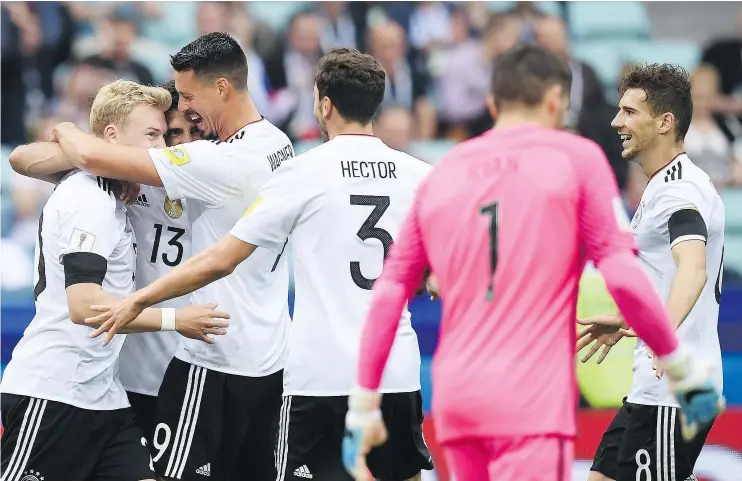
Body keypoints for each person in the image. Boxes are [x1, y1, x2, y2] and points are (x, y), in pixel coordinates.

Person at [342, 46, 723, 481]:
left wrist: (363, 402)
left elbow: (390, 290)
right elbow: (621, 272)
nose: (616, 121)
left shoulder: (446, 170)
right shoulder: (576, 160)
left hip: (458, 394)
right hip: (533, 398)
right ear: (555, 101)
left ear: (491, 104)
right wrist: (677, 364)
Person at [85, 47, 435, 481]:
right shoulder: (421, 175)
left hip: (320, 374)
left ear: (323, 104)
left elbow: (222, 258)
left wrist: (140, 299)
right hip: (395, 368)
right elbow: (437, 277)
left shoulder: (304, 171)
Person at [46, 32, 295, 481]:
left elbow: (87, 153)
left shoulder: (215, 163)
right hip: (268, 359)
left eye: (187, 95)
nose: (184, 107)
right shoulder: (277, 144)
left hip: (212, 361)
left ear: (221, 88)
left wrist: (63, 127)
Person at [1, 80, 227, 481]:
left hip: (105, 395)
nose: (163, 149)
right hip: (54, 390)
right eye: (153, 136)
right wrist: (178, 319)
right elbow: (84, 307)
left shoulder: (124, 190)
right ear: (110, 139)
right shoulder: (87, 198)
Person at [577, 63, 725, 481]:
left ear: (665, 122)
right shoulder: (663, 185)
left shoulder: (679, 190)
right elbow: (671, 279)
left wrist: (665, 344)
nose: (615, 121)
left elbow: (692, 269)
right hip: (653, 389)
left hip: (672, 390)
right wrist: (631, 320)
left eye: (628, 112)